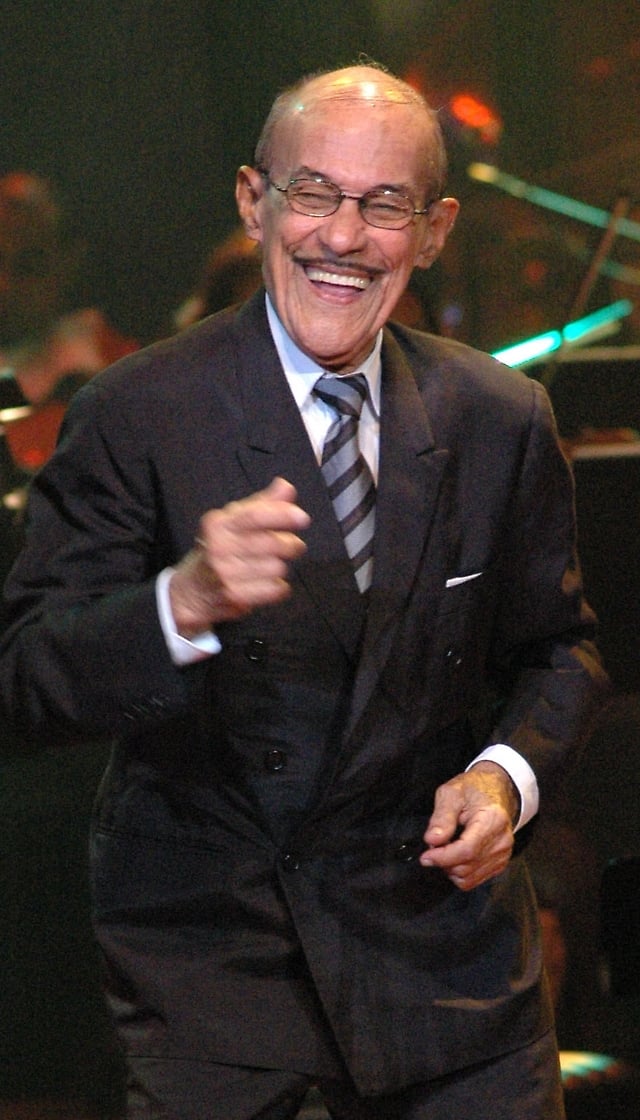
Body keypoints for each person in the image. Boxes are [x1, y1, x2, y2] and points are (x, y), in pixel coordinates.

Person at [0, 62, 609, 1120]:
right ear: (254, 202)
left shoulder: (497, 415)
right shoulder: (138, 411)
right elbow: (24, 681)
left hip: (449, 968)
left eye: (384, 204)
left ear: (434, 230)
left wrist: (504, 777)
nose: (343, 236)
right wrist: (180, 603)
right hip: (219, 974)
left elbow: (561, 652)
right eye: (314, 192)